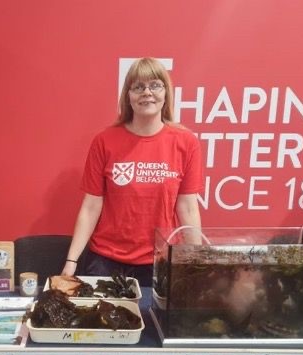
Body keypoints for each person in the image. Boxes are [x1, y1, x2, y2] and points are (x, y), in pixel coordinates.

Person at [62, 57, 203, 286]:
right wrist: (71, 261)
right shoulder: (105, 141)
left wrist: (197, 263)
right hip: (105, 261)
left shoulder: (186, 143)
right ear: (128, 95)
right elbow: (91, 207)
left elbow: (187, 207)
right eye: (138, 87)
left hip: (159, 261)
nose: (147, 92)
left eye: (155, 85)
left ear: (166, 93)